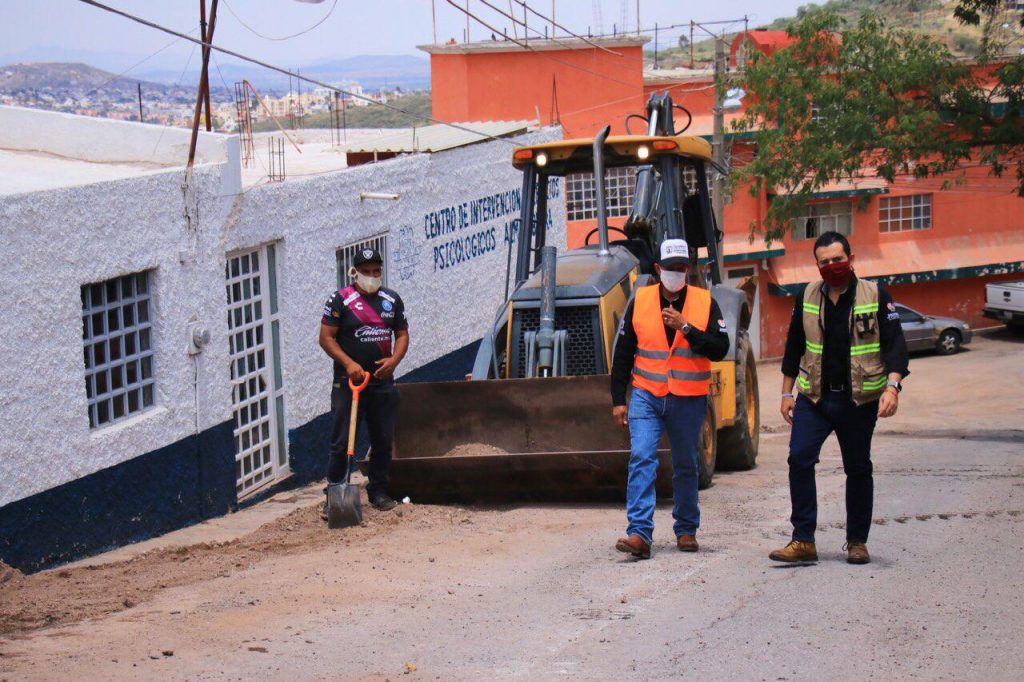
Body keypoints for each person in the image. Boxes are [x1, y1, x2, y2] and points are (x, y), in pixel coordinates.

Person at [770, 231, 909, 565]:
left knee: (858, 468)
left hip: (858, 401)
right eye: (825, 261)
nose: (832, 266)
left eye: (838, 259)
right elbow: (794, 346)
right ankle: (803, 540)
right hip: (814, 399)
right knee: (799, 460)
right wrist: (787, 392)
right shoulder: (806, 296)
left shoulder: (874, 295)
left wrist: (892, 387)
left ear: (851, 258)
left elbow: (895, 346)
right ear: (817, 265)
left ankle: (857, 542)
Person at [609, 238, 730, 559]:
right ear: (659, 269)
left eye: (682, 268)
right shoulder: (641, 301)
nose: (677, 273)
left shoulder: (706, 303)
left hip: (689, 399)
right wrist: (618, 399)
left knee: (686, 464)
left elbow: (721, 348)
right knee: (642, 458)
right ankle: (639, 534)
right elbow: (623, 353)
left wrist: (686, 327)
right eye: (671, 268)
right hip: (647, 395)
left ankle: (687, 529)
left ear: (688, 269)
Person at [319, 248, 409, 512]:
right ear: (355, 272)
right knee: (342, 441)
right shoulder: (340, 300)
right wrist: (349, 364)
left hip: (382, 383)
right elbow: (326, 337)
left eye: (376, 271)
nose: (371, 276)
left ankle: (378, 490)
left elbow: (402, 335)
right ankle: (335, 495)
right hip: (349, 384)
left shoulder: (391, 300)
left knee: (382, 440)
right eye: (366, 272)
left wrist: (394, 361)